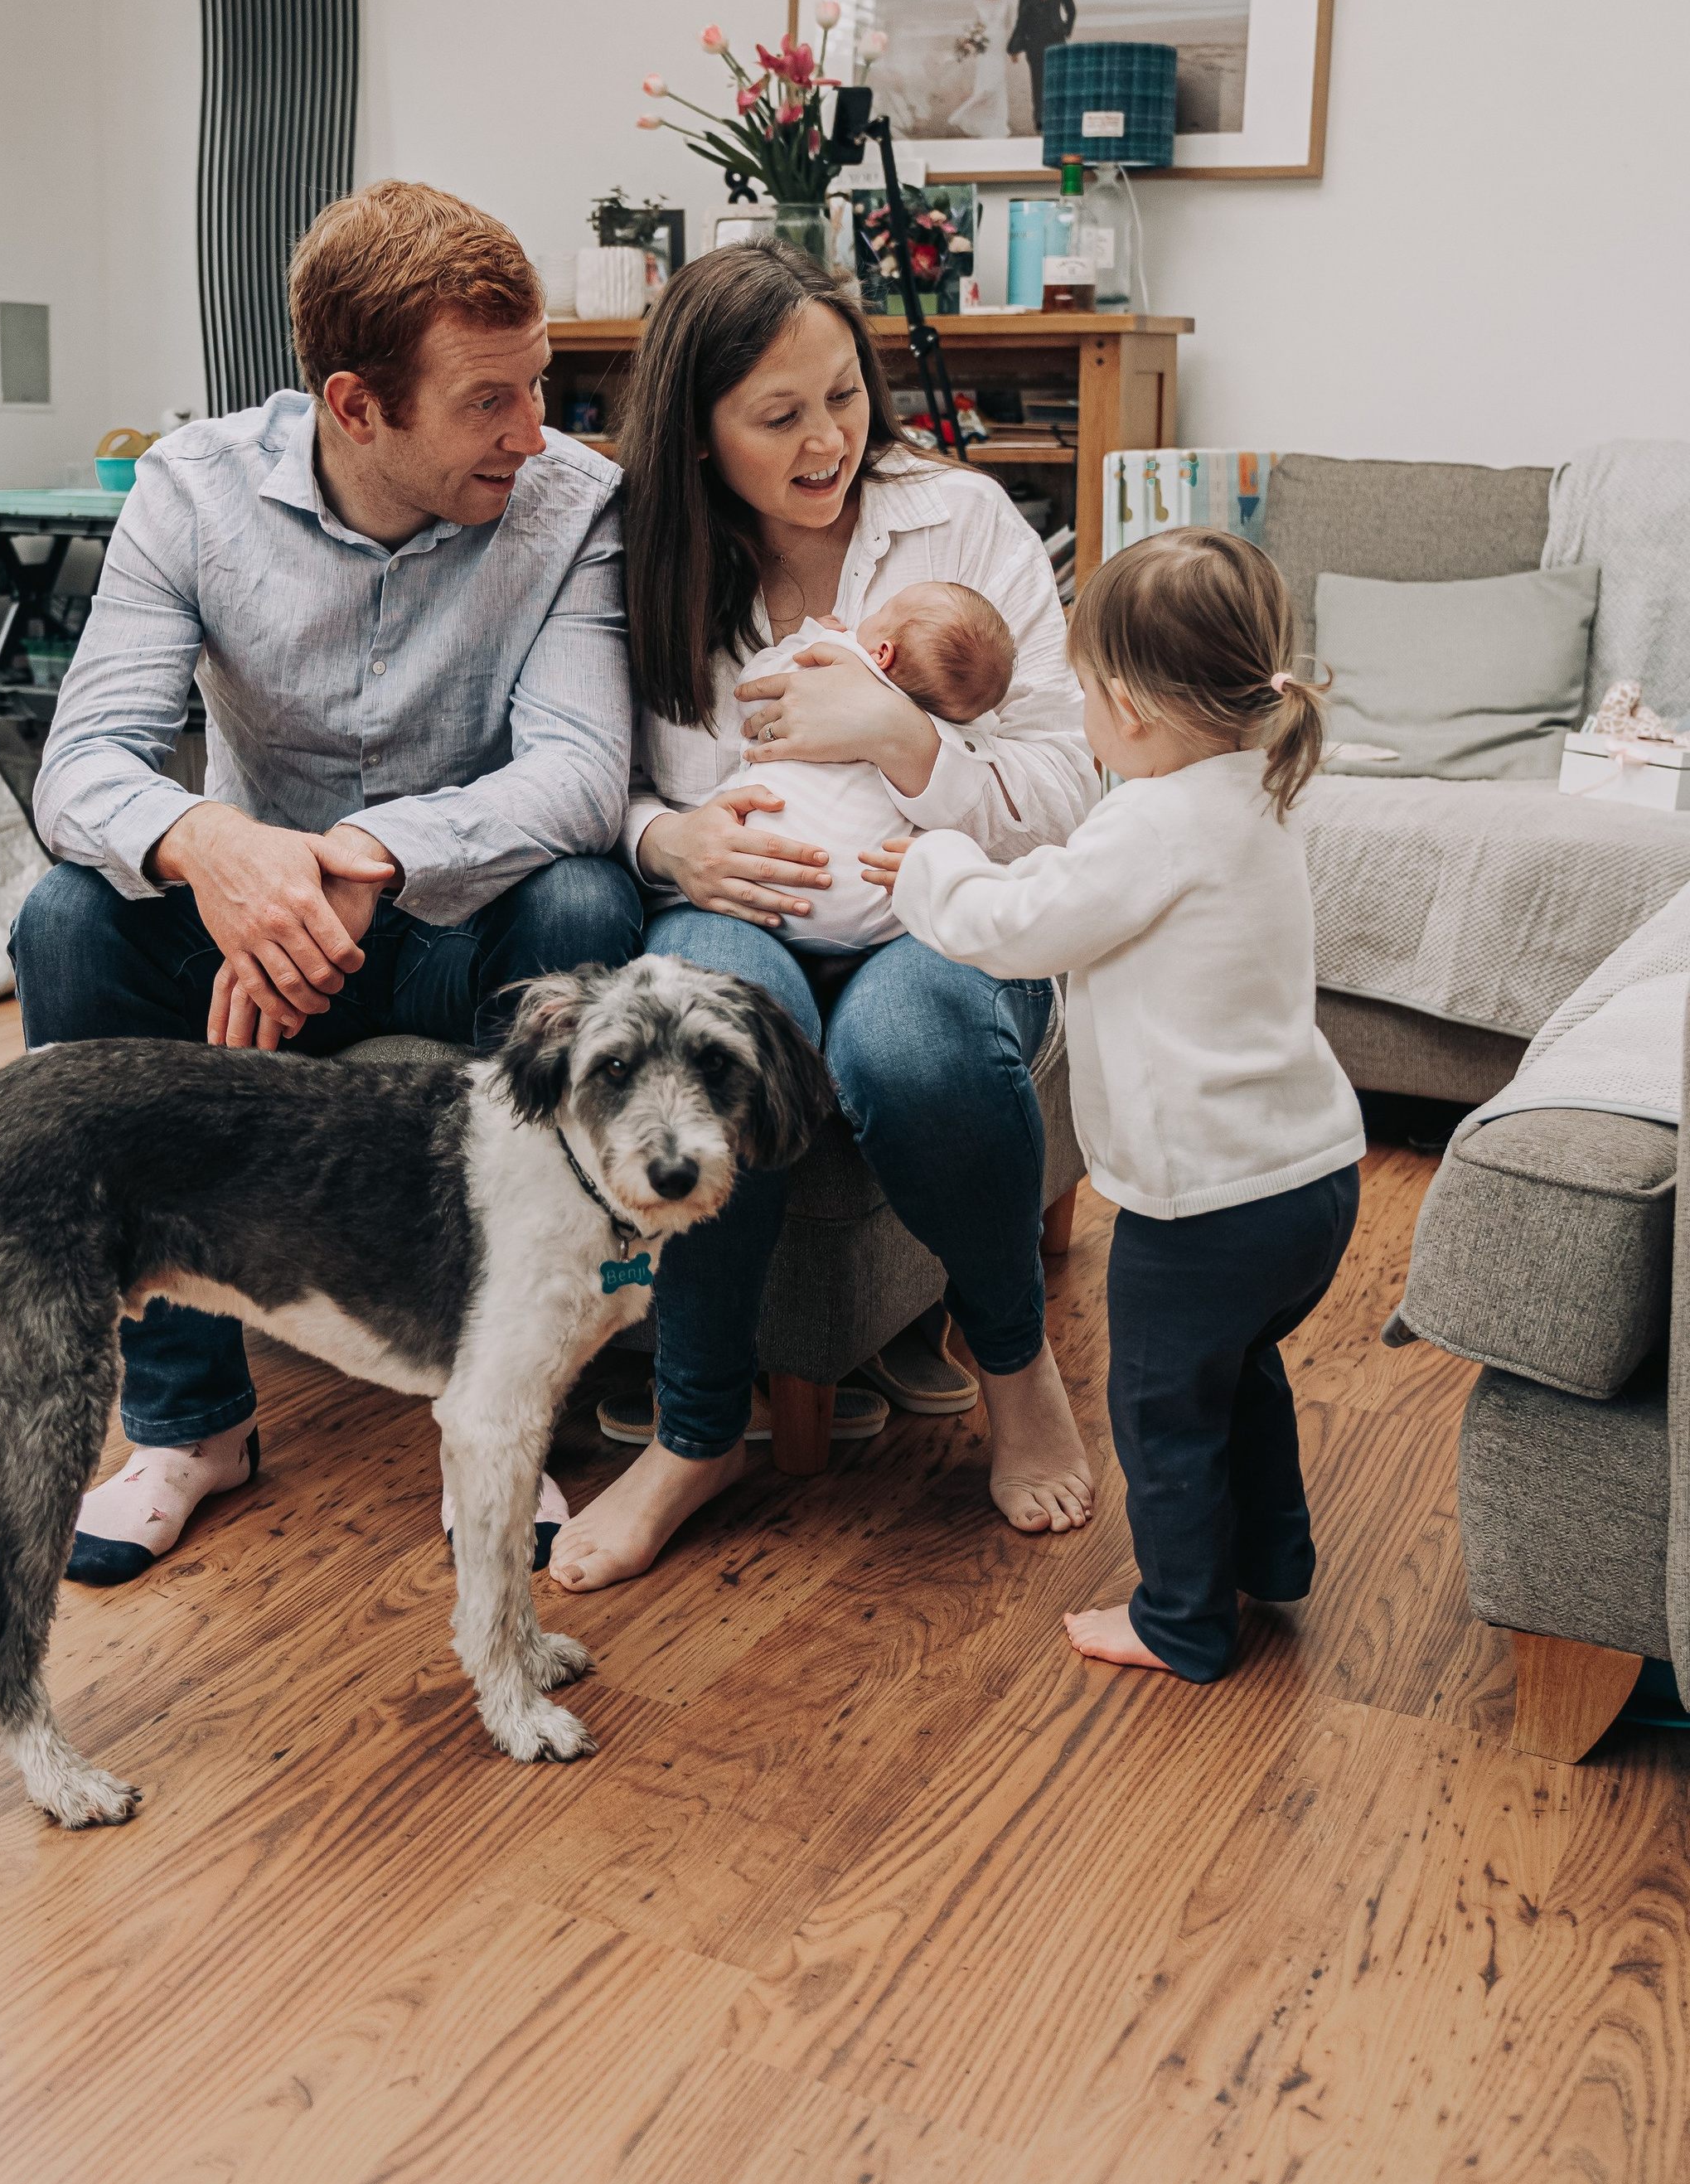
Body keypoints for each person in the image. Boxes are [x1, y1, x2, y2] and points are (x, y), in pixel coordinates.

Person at [13, 180, 642, 1584]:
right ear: (356, 407)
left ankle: (505, 1414)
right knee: (68, 923)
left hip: (447, 919)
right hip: (247, 934)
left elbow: (583, 773)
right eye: (490, 403)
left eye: (538, 386)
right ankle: (187, 1425)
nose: (532, 433)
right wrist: (217, 848)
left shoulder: (572, 504)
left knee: (586, 910)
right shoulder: (191, 494)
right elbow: (82, 772)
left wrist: (371, 855)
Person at [545, 241, 1099, 1595]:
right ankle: (696, 1432)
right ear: (696, 431)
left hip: (940, 903)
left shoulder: (959, 523)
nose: (827, 442)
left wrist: (909, 743)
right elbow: (585, 776)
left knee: (910, 1050)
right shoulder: (640, 557)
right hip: (733, 906)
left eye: (844, 397)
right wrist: (661, 836)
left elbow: (1069, 791)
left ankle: (1015, 1369)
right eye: (778, 416)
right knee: (710, 1034)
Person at [868, 527, 1366, 1684]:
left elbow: (1021, 925)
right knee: (1237, 1373)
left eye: (1083, 694)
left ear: (1129, 707)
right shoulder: (1266, 786)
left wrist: (928, 868)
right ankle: (1270, 1559)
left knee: (1160, 1414)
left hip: (1205, 1202)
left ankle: (1182, 1620)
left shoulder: (1152, 822)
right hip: (1308, 1179)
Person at [712, 583, 1016, 952]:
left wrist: (804, 638)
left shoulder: (837, 653)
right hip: (870, 914)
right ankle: (846, 952)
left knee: (735, 795)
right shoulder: (962, 729)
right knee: (923, 848)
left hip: (759, 883)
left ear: (883, 652)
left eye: (881, 612)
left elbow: (750, 696)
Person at [1008, 0, 1077, 138]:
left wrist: (1066, 29)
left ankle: (1060, 119)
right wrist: (1014, 48)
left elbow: (1071, 9)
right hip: (1035, 45)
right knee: (1038, 84)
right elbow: (1021, 22)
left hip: (1057, 42)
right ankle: (1040, 122)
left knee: (1059, 81)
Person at [948, 0, 1014, 137]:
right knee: (985, 87)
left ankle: (997, 124)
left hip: (998, 49)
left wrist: (1013, 49)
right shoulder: (978, 3)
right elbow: (974, 25)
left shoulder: (1006, 3)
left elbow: (1010, 27)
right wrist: (968, 40)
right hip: (984, 50)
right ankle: (965, 116)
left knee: (997, 86)